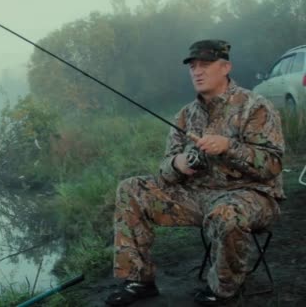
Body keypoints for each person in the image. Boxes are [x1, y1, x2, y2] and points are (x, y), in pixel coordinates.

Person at [104, 40, 285, 306]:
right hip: (196, 196)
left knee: (226, 213)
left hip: (250, 196)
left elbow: (272, 165)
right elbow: (165, 171)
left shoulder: (255, 107)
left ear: (225, 67)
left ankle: (224, 290)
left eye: (205, 65)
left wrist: (229, 147)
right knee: (130, 188)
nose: (197, 72)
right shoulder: (184, 116)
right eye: (193, 66)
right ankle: (138, 280)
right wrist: (178, 164)